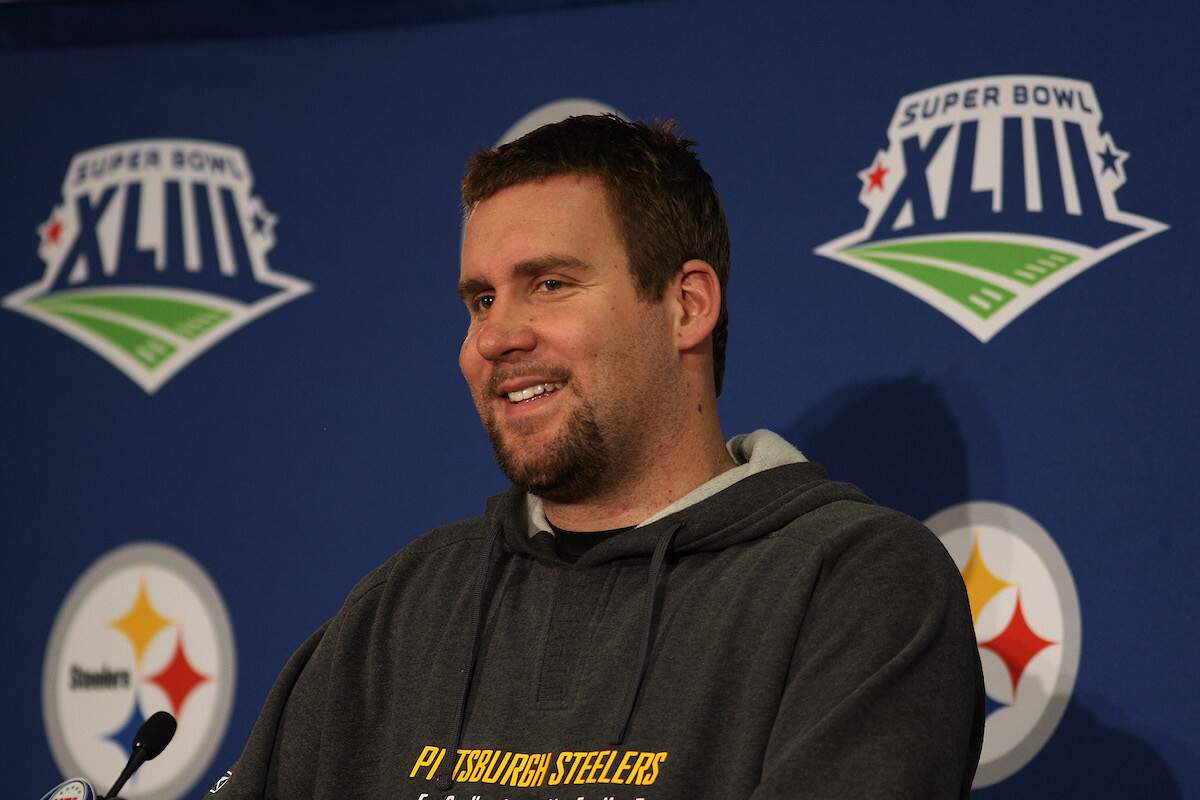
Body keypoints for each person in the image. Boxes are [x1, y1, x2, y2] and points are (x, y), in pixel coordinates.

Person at [210, 114, 983, 799]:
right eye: (481, 299)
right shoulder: (405, 605)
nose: (494, 336)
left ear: (687, 307)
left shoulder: (853, 584)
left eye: (548, 283)